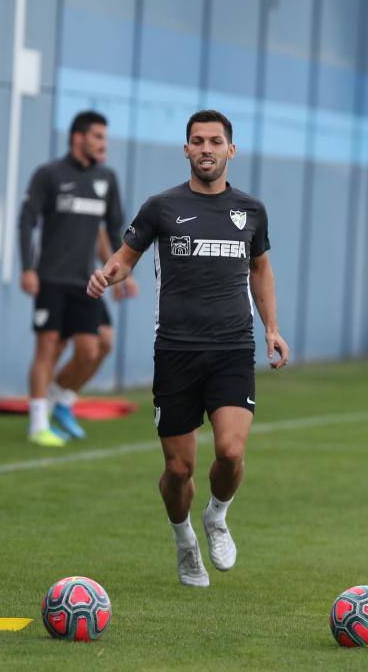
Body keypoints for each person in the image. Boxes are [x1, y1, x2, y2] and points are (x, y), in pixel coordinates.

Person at [87, 109, 289, 587]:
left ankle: (217, 516)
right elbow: (125, 258)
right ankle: (184, 541)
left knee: (231, 451)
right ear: (186, 150)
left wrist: (272, 328)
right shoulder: (161, 207)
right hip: (176, 351)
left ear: (230, 150)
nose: (206, 149)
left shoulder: (251, 210)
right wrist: (107, 274)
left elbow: (260, 270)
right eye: (197, 141)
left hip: (232, 348)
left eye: (215, 142)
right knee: (178, 470)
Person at [19, 111, 125, 446]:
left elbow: (111, 229)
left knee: (93, 348)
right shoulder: (49, 174)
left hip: (86, 282)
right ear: (78, 137)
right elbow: (27, 222)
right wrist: (28, 268)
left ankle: (60, 398)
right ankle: (38, 425)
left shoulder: (106, 178)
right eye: (97, 137)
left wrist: (120, 271)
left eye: (104, 138)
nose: (102, 144)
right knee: (48, 347)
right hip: (51, 278)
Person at [48, 226, 139, 438]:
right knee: (70, 347)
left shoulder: (102, 196)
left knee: (105, 342)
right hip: (61, 279)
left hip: (87, 278)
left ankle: (63, 400)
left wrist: (114, 274)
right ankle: (49, 403)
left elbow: (99, 232)